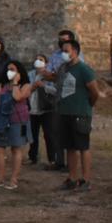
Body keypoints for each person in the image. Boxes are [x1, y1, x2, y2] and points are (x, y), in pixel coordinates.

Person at [56, 39, 100, 191]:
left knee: (83, 146)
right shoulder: (64, 68)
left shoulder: (84, 69)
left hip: (80, 113)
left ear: (75, 51)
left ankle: (86, 179)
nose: (64, 54)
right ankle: (72, 177)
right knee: (70, 147)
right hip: (65, 112)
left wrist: (88, 105)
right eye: (63, 51)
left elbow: (94, 91)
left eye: (67, 50)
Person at [0, 60, 33, 189]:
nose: (10, 71)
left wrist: (15, 84)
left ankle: (14, 179)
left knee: (16, 148)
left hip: (18, 121)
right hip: (2, 120)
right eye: (8, 69)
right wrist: (3, 101)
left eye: (13, 69)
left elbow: (17, 97)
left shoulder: (25, 85)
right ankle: (0, 177)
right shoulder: (2, 85)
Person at [41, 30, 75, 171]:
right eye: (60, 40)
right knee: (56, 129)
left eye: (64, 40)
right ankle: (59, 160)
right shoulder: (55, 55)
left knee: (70, 131)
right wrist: (54, 75)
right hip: (57, 96)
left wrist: (55, 75)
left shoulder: (77, 56)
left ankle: (71, 163)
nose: (61, 42)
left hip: (71, 98)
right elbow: (47, 73)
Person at [27, 54, 56, 167]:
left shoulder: (50, 75)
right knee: (32, 134)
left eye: (41, 60)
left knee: (49, 134)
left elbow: (56, 90)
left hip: (46, 109)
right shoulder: (30, 75)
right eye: (36, 59)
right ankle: (33, 157)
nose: (38, 62)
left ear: (46, 63)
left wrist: (44, 86)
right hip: (33, 108)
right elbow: (26, 88)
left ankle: (52, 158)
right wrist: (34, 86)